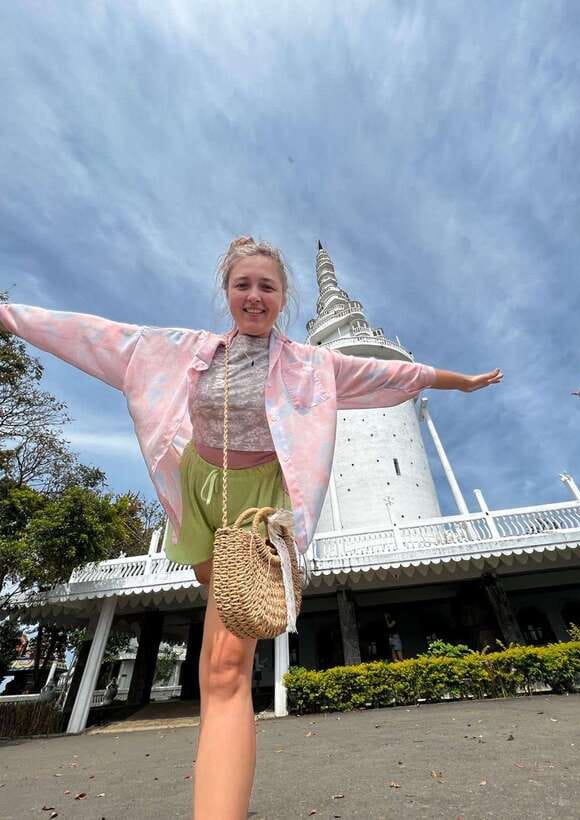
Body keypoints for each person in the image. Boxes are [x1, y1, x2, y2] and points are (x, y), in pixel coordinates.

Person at [0, 236, 502, 819]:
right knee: (218, 662)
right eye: (244, 285)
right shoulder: (182, 350)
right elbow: (94, 335)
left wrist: (457, 381)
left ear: (283, 297)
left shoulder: (313, 363)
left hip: (258, 505)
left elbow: (385, 374)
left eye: (267, 286)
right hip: (197, 493)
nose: (255, 296)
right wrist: (9, 316)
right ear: (228, 292)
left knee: (227, 667)